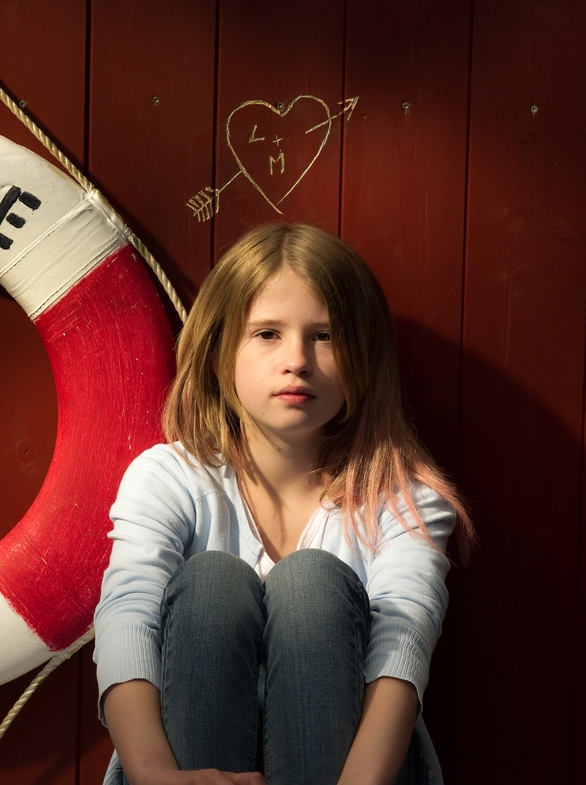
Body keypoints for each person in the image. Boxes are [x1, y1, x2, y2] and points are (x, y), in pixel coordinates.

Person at [93, 223, 473, 785]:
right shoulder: (167, 479)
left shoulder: (403, 501)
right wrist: (155, 776)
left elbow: (404, 646)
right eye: (267, 333)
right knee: (212, 584)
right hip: (179, 772)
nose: (297, 359)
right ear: (222, 349)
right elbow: (129, 616)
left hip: (357, 773)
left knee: (311, 582)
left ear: (363, 354)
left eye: (325, 335)